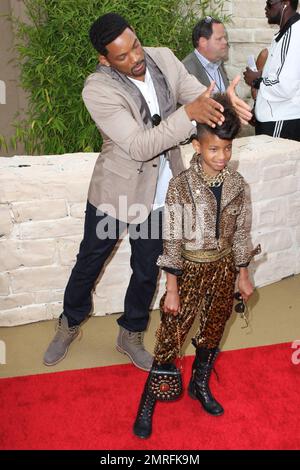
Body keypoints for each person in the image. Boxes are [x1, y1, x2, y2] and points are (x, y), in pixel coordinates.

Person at [43, 13, 252, 372]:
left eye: (135, 45)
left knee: (146, 268)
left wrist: (222, 101)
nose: (135, 58)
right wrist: (188, 113)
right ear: (105, 59)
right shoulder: (97, 89)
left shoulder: (164, 59)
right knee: (90, 260)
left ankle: (131, 331)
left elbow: (197, 97)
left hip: (161, 193)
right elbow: (140, 145)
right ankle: (70, 321)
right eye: (122, 56)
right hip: (115, 192)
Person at [133, 93, 255, 439]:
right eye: (214, 149)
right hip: (188, 270)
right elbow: (171, 239)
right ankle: (148, 401)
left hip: (223, 269)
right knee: (171, 338)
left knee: (213, 331)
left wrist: (242, 273)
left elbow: (241, 232)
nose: (222, 156)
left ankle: (199, 385)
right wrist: (171, 289)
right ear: (197, 146)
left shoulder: (237, 184)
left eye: (228, 148)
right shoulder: (180, 186)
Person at [243, 0, 300, 141]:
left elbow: (285, 86)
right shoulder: (285, 34)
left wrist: (256, 80)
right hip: (276, 119)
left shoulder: (293, 35)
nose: (265, 8)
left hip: (281, 120)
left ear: (285, 3)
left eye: (269, 4)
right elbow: (281, 75)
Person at [182, 16, 229, 93]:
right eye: (219, 39)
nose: (225, 42)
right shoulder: (186, 70)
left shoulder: (218, 63)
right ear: (203, 42)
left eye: (225, 37)